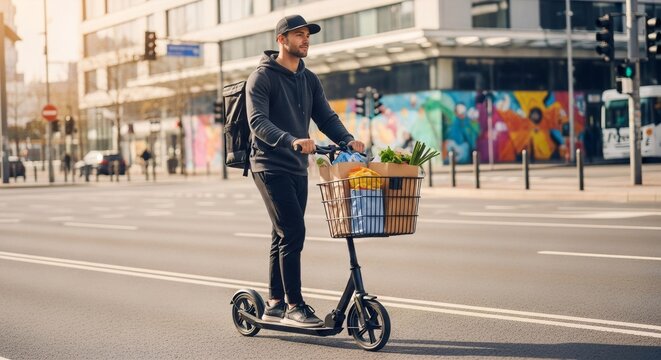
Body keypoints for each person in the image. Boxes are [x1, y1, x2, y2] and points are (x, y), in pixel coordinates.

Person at [246, 15, 365, 328]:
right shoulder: (261, 78)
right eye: (298, 35)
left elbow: (325, 116)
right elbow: (257, 123)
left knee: (281, 232)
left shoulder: (309, 79)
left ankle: (273, 302)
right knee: (293, 232)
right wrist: (291, 140)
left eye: (307, 35)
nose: (305, 40)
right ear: (281, 40)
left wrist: (347, 139)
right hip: (269, 165)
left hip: (298, 166)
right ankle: (294, 304)